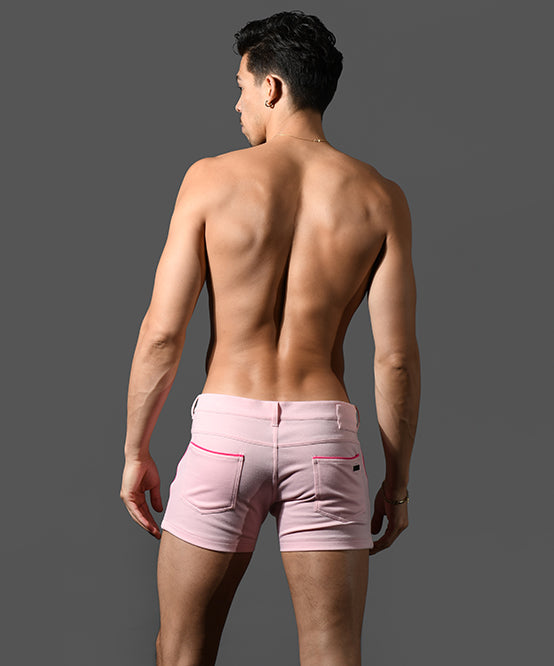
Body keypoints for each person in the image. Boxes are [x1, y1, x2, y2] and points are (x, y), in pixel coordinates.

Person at [120, 9, 420, 666]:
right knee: (333, 653)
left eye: (241, 87)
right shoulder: (381, 197)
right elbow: (395, 360)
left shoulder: (210, 179)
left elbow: (162, 335)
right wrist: (396, 486)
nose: (237, 104)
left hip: (227, 431)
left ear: (273, 87)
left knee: (181, 652)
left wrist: (135, 450)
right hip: (324, 439)